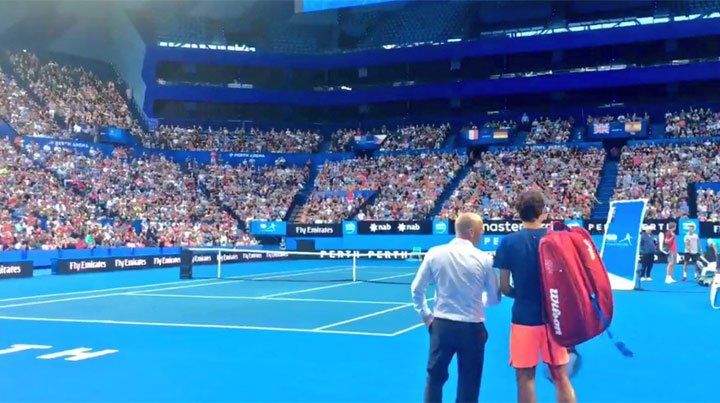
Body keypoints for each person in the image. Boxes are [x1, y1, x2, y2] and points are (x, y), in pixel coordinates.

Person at [495, 190, 576, 403]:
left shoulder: (508, 242)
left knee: (525, 377)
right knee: (560, 376)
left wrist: (523, 294)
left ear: (519, 212)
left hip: (524, 317)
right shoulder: (556, 239)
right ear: (542, 211)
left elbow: (504, 287)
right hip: (554, 317)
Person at [411, 212, 500, 403]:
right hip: (472, 328)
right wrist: (480, 300)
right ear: (471, 232)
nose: (482, 233)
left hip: (442, 327)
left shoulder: (435, 253)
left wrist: (427, 316)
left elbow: (417, 289)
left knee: (434, 380)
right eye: (481, 229)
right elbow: (494, 298)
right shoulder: (484, 259)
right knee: (470, 385)